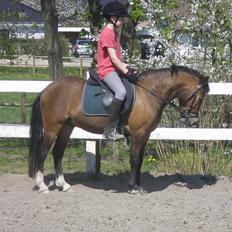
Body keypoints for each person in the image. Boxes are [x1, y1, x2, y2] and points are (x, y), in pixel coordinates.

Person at [97, 1, 137, 140]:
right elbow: (113, 59)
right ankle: (109, 130)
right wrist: (126, 73)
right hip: (107, 71)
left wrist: (127, 67)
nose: (122, 20)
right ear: (113, 18)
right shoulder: (107, 34)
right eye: (120, 18)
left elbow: (118, 58)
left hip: (115, 69)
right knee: (121, 91)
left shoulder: (113, 33)